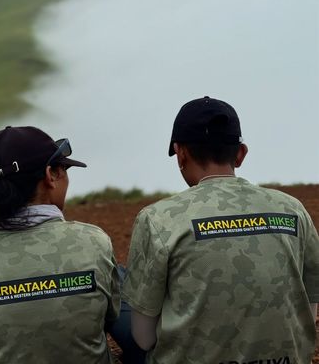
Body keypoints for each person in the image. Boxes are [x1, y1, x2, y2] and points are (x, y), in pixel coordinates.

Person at [123, 96, 319, 364]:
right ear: (240, 154)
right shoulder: (293, 210)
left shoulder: (158, 219)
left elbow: (144, 338)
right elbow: (309, 310)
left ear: (181, 154)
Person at [0, 125, 121, 363]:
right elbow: (109, 318)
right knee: (116, 276)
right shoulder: (94, 241)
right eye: (63, 168)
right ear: (50, 176)